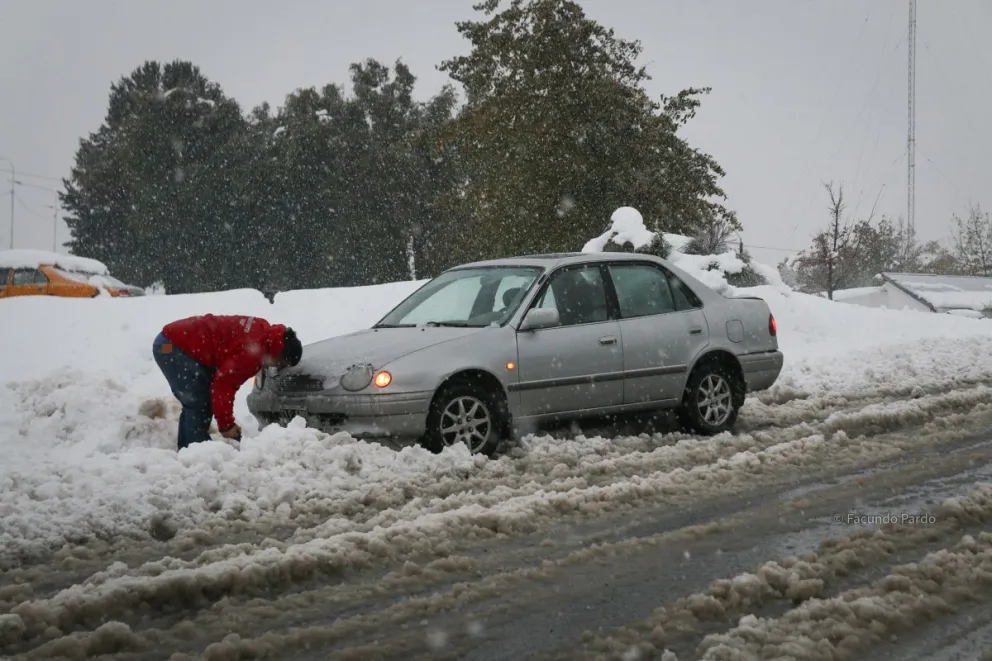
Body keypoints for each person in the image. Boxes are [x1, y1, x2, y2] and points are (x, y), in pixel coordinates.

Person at [152, 314, 303, 450]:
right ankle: (197, 453)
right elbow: (223, 386)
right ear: (280, 354)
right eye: (281, 364)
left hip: (171, 341)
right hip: (170, 347)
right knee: (198, 402)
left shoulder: (264, 331)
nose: (276, 367)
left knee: (197, 402)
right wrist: (227, 426)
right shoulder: (252, 354)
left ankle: (189, 450)